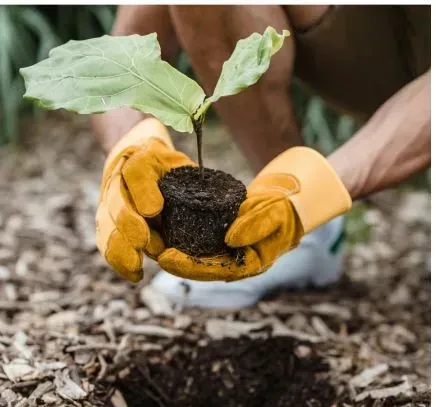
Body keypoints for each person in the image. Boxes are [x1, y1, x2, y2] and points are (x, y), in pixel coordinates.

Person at [93, 5, 430, 309]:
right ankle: (304, 240)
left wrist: (313, 188)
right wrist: (130, 145)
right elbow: (123, 55)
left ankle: (299, 221)